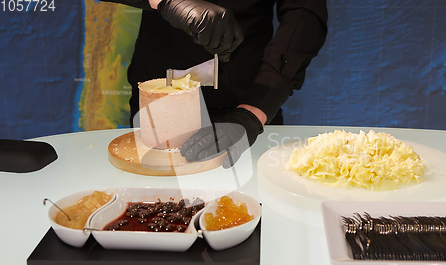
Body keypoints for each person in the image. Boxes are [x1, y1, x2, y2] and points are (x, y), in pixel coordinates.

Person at [100, 0, 327, 167]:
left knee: (256, 208)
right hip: (162, 102)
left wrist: (253, 113)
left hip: (252, 100)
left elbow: (304, 13)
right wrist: (167, 2)